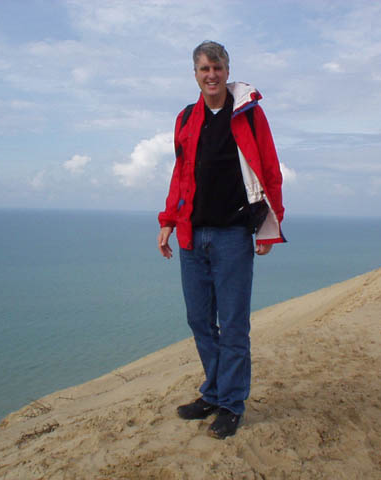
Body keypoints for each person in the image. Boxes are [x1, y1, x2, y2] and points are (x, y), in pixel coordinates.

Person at [157, 41, 285, 439]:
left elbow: (269, 168)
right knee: (199, 320)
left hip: (233, 235)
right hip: (192, 235)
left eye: (217, 67)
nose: (211, 75)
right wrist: (168, 221)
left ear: (227, 71)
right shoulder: (186, 117)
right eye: (204, 69)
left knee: (232, 325)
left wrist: (270, 225)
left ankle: (231, 404)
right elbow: (181, 174)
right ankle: (213, 391)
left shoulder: (249, 113)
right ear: (195, 74)